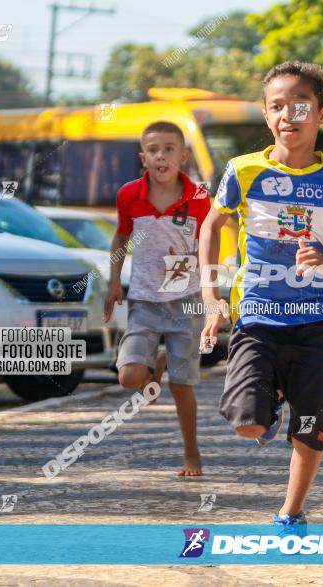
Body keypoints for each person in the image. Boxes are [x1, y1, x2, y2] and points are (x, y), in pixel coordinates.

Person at [198, 61, 323, 534]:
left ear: (322, 114)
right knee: (248, 424)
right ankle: (269, 403)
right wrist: (211, 296)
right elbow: (211, 226)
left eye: (299, 106)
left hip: (315, 324)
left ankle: (290, 514)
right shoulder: (242, 170)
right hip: (258, 316)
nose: (287, 116)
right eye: (276, 106)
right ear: (266, 114)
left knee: (313, 425)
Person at [104, 121, 210, 476]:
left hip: (187, 301)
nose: (161, 155)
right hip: (145, 301)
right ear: (143, 157)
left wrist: (211, 289)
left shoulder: (199, 198)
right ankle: (154, 366)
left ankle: (191, 454)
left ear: (183, 156)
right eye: (153, 150)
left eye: (168, 149)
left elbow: (208, 244)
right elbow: (120, 238)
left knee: (182, 387)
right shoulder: (129, 195)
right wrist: (114, 282)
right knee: (129, 377)